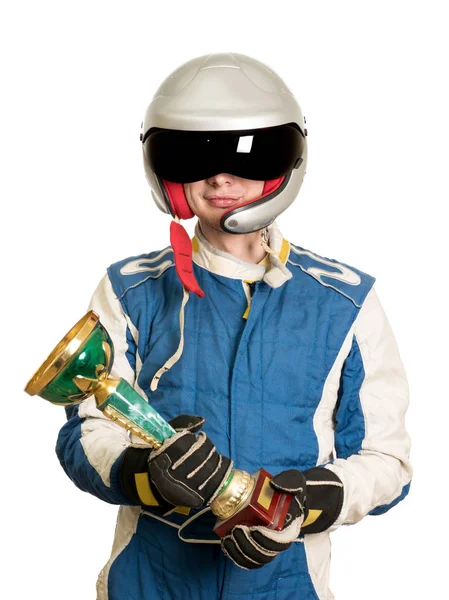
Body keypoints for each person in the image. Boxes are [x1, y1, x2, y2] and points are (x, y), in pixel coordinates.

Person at [55, 52, 412, 600]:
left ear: (284, 162)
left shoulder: (345, 301)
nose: (221, 176)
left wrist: (302, 502)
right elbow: (84, 433)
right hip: (150, 582)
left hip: (287, 585)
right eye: (194, 155)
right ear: (166, 172)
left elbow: (388, 462)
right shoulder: (129, 289)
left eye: (248, 153)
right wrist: (145, 476)